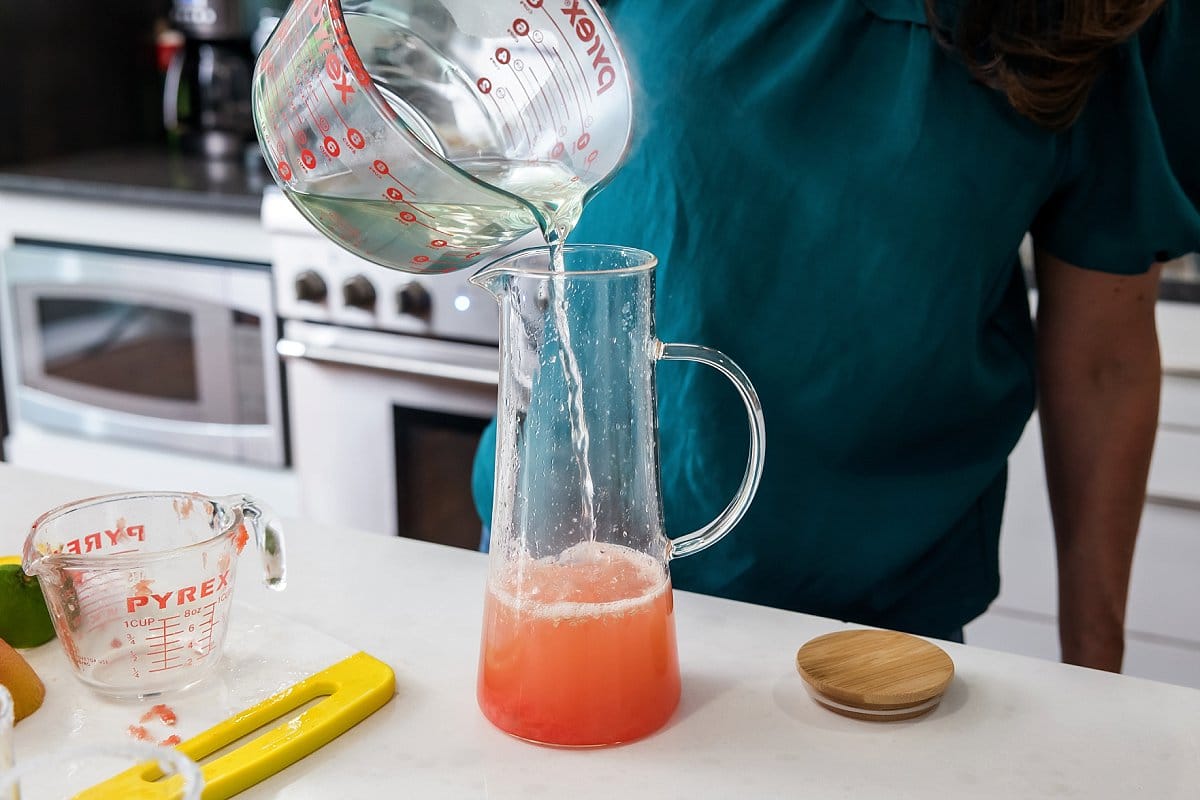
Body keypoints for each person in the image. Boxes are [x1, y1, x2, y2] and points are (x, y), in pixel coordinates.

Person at [472, 0, 1199, 670]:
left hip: (882, 621)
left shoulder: (1098, 15)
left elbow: (1104, 355)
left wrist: (1098, 666)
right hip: (566, 574)